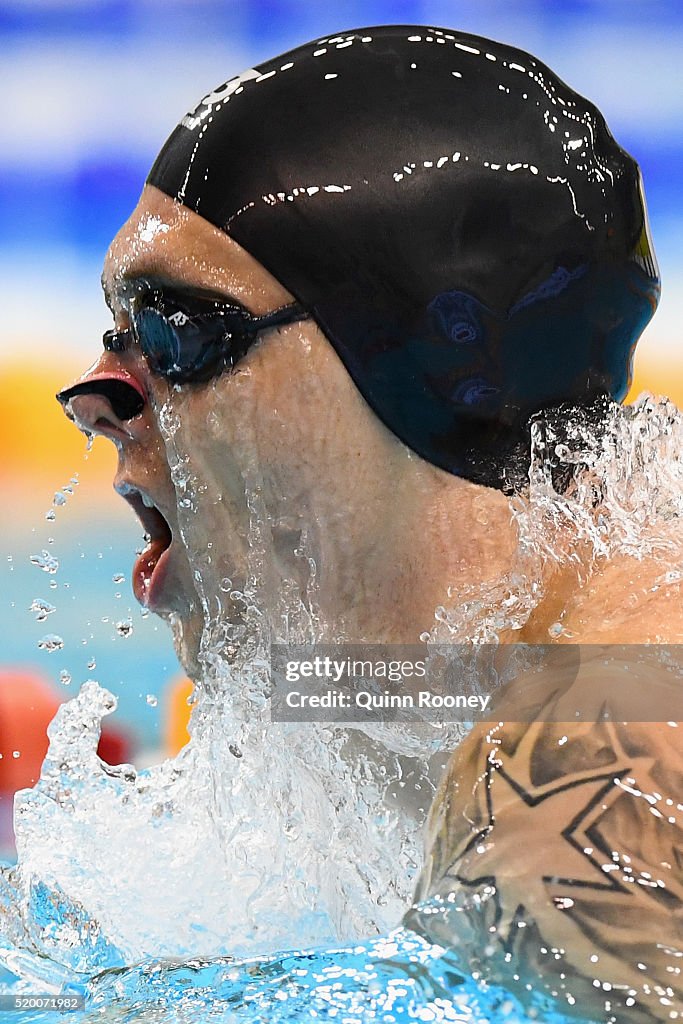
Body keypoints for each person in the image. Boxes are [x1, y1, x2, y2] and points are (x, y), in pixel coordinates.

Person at [57, 26, 681, 1022]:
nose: (97, 395)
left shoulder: (577, 774)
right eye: (115, 338)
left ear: (419, 368)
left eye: (178, 328)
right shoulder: (482, 663)